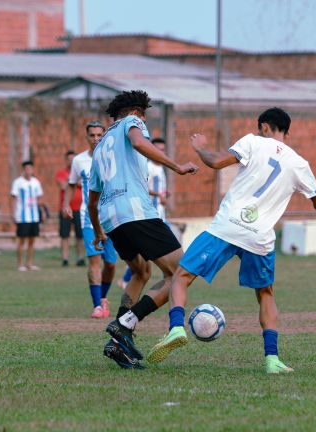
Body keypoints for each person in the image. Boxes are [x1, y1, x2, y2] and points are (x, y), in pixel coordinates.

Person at [146, 107, 316, 374]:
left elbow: (217, 162)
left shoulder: (253, 141)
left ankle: (175, 328)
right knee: (265, 294)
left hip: (228, 226)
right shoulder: (300, 163)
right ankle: (272, 359)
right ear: (286, 132)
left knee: (182, 275)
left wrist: (200, 149)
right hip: (260, 236)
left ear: (265, 127)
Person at [86, 90, 199, 369]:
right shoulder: (131, 124)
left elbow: (92, 199)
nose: (145, 119)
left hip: (111, 219)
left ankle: (119, 342)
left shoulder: (100, 147)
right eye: (144, 113)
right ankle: (127, 321)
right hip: (136, 211)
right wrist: (177, 166)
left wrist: (100, 231)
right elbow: (138, 143)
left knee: (141, 271)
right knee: (182, 271)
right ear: (136, 111)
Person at [63, 121, 117, 319]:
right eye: (92, 135)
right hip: (89, 220)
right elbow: (71, 184)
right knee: (94, 263)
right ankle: (97, 306)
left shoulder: (113, 158)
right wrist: (66, 204)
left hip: (112, 219)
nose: (95, 139)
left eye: (99, 135)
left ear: (104, 136)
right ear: (86, 137)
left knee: (110, 264)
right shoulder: (79, 161)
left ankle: (103, 297)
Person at [116, 137, 171, 291]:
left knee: (151, 250)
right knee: (164, 250)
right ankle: (169, 279)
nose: (160, 152)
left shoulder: (160, 167)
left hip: (160, 213)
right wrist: (158, 194)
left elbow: (157, 189)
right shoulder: (149, 167)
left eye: (162, 149)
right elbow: (141, 187)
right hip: (150, 215)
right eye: (157, 149)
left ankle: (126, 279)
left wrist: (164, 194)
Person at [11, 160, 44, 271]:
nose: (28, 170)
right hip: (22, 216)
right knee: (21, 240)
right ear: (23, 170)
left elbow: (39, 199)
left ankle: (29, 263)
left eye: (30, 168)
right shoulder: (18, 182)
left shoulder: (36, 182)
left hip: (34, 216)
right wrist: (13, 213)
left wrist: (41, 212)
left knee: (32, 240)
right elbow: (14, 199)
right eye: (26, 169)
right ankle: (20, 264)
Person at [55, 150, 85, 267]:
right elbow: (63, 186)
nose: (71, 161)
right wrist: (75, 181)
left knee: (80, 235)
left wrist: (72, 181)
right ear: (66, 160)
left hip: (80, 209)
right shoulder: (61, 173)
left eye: (73, 159)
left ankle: (80, 258)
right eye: (69, 159)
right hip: (66, 209)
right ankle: (65, 259)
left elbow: (83, 184)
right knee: (65, 235)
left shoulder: (81, 172)